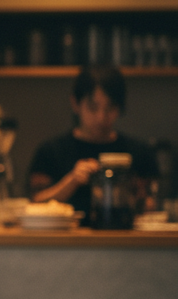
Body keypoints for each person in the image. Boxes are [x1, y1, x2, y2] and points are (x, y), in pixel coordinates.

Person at [28, 66, 158, 217]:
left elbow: (154, 206)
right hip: (67, 240)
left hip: (124, 238)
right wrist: (71, 181)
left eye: (110, 107)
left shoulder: (139, 152)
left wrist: (131, 190)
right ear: (75, 103)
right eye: (93, 107)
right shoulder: (51, 151)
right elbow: (34, 203)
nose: (101, 117)